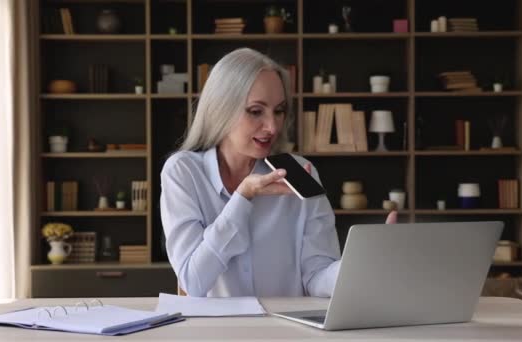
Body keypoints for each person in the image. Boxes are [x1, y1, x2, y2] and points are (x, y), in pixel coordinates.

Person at [160, 48, 396, 298]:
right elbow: (193, 281)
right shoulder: (184, 172)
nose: (272, 127)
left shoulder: (300, 172)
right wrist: (243, 198)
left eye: (279, 110)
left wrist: (360, 266)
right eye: (255, 111)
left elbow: (316, 276)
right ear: (221, 108)